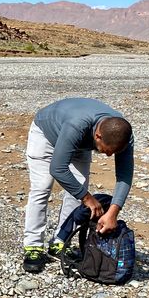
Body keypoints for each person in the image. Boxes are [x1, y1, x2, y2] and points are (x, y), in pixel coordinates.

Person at [22, 98, 134, 273]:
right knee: (42, 188)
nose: (109, 155)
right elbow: (57, 169)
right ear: (98, 136)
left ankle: (60, 242)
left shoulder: (123, 134)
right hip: (46, 133)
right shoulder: (77, 125)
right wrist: (88, 198)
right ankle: (33, 246)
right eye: (106, 150)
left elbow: (125, 175)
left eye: (115, 152)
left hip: (80, 142)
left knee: (79, 186)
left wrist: (113, 213)